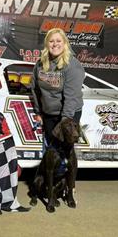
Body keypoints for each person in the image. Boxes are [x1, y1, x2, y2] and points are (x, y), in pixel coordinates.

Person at [31, 27, 85, 157]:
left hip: (68, 114)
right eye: (51, 41)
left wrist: (65, 123)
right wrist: (39, 112)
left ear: (65, 43)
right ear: (46, 44)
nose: (55, 44)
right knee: (52, 150)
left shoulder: (72, 65)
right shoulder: (40, 64)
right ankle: (52, 177)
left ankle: (66, 176)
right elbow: (35, 89)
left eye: (58, 41)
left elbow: (71, 97)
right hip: (49, 113)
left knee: (65, 150)